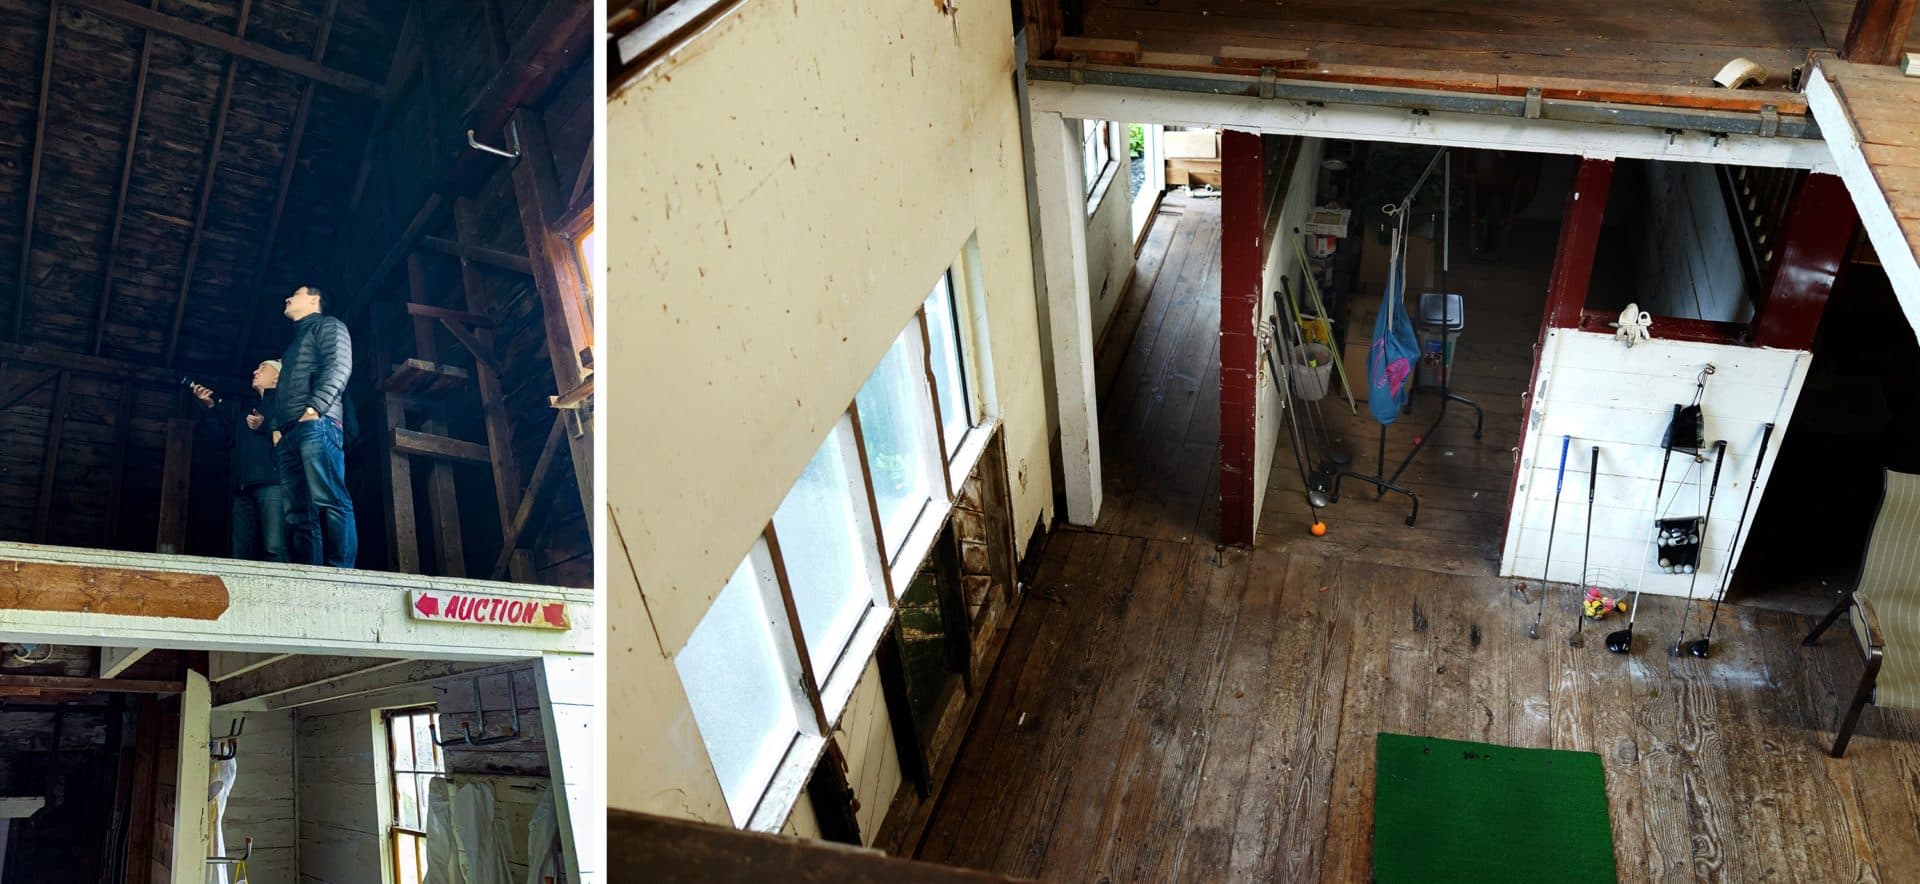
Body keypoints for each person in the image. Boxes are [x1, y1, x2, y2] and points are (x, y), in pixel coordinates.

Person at [274, 285, 358, 568]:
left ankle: (340, 574)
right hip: (289, 433)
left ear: (313, 299)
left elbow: (339, 365)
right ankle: (309, 575)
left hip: (317, 423)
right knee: (297, 514)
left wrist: (314, 408)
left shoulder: (330, 325)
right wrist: (277, 427)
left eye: (294, 294)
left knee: (330, 499)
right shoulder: (292, 346)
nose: (287, 297)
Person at [189, 360, 287, 562]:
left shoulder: (286, 404)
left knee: (274, 547)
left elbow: (292, 438)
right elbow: (225, 439)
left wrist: (265, 425)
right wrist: (210, 408)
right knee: (240, 551)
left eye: (262, 368)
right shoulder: (246, 411)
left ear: (277, 377)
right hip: (243, 489)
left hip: (272, 483)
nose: (255, 371)